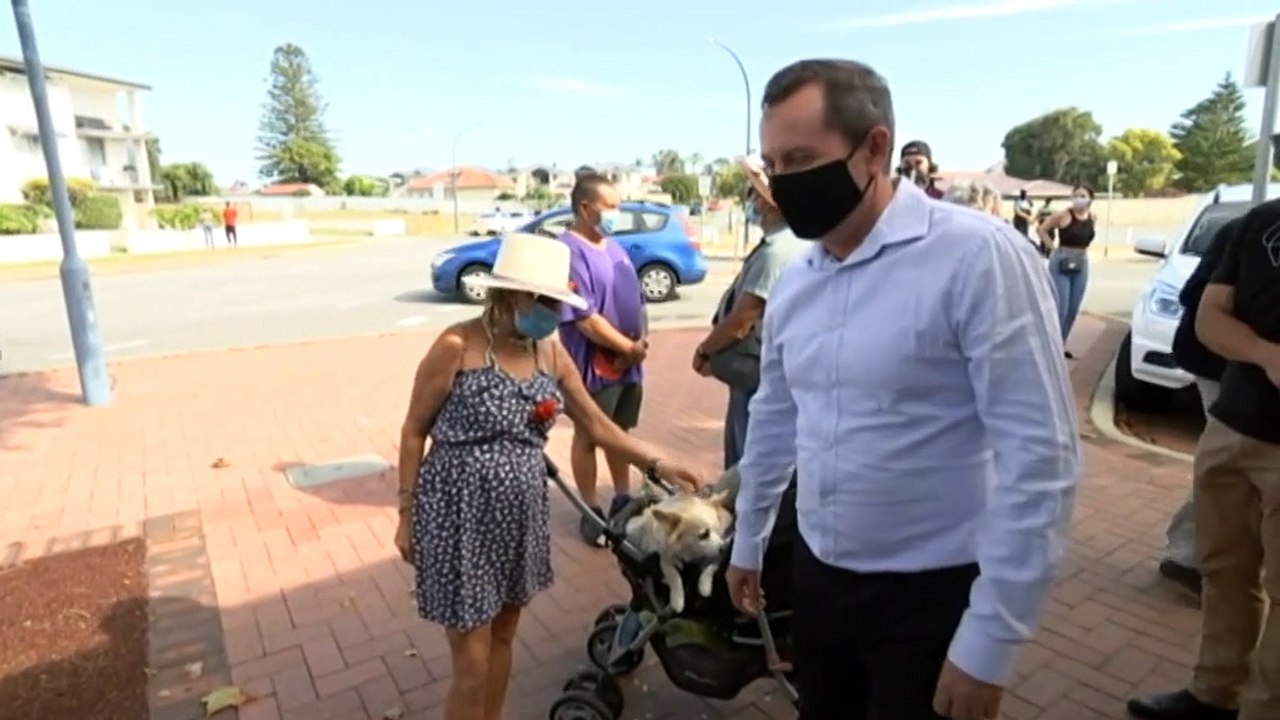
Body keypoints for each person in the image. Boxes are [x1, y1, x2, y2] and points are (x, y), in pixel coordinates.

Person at [723, 58, 1081, 720]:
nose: (782, 184)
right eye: (772, 164)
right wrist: (749, 539)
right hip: (820, 580)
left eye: (801, 158)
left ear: (876, 147)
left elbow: (1043, 458)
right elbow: (775, 417)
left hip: (932, 598)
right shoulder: (798, 281)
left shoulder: (977, 257)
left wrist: (991, 639)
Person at [393, 231, 702, 720]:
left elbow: (598, 426)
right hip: (458, 516)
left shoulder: (551, 354)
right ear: (512, 294)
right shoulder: (456, 345)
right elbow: (413, 432)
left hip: (519, 515)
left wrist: (657, 463)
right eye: (546, 302)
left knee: (503, 635)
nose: (555, 315)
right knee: (470, 665)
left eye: (559, 303)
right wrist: (406, 513)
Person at [1127, 198, 1280, 720]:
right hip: (1232, 427)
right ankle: (1213, 694)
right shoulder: (1260, 223)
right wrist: (1267, 354)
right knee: (1222, 569)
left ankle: (1262, 709)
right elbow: (1210, 319)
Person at [693, 157, 806, 469]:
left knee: (748, 459)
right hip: (763, 370)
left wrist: (705, 350)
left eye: (753, 194)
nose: (749, 201)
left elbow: (743, 319)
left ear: (769, 205)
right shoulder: (786, 244)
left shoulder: (778, 252)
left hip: (756, 372)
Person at [556, 173, 649, 547]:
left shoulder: (614, 246)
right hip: (593, 365)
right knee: (590, 433)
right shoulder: (569, 252)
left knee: (619, 430)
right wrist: (624, 349)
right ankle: (590, 509)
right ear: (585, 208)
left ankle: (623, 498)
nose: (617, 213)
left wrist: (639, 341)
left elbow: (637, 298)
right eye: (610, 206)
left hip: (630, 360)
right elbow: (584, 316)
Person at [1159, 216, 1242, 597]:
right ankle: (1187, 555)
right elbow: (1192, 295)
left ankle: (1188, 554)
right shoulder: (1246, 229)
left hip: (1242, 365)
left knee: (1229, 458)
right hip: (1217, 363)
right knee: (1230, 458)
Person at [1038, 184, 1096, 358]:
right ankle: (1050, 346)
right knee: (1060, 308)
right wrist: (1052, 248)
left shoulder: (1092, 217)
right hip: (1062, 259)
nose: (1078, 198)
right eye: (1075, 195)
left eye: (1082, 195)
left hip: (1082, 260)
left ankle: (1060, 345)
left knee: (1072, 309)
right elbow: (1042, 229)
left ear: (1090, 198)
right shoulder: (1063, 215)